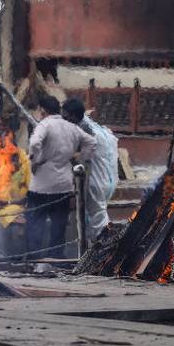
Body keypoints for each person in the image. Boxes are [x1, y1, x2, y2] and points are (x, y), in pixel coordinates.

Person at [27, 95, 96, 259]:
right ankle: (55, 259)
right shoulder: (72, 128)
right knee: (59, 226)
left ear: (42, 110)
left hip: (41, 186)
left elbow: (35, 143)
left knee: (36, 224)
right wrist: (80, 158)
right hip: (64, 185)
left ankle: (34, 260)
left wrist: (35, 160)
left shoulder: (44, 124)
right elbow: (92, 143)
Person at [62, 98, 118, 241]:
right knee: (95, 216)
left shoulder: (85, 131)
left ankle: (105, 250)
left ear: (73, 116)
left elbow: (82, 156)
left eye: (66, 117)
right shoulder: (93, 126)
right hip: (108, 179)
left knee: (98, 219)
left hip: (96, 181)